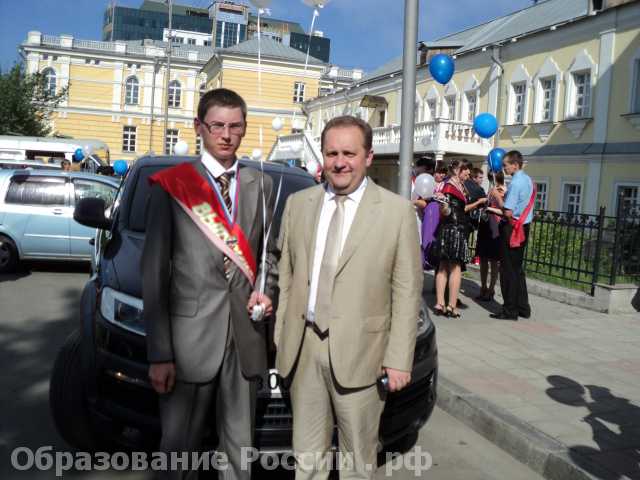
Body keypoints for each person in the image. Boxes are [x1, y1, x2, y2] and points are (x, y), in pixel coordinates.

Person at [274, 115, 423, 479]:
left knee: (358, 461)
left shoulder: (396, 212)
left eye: (349, 153)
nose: (339, 162)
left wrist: (399, 358)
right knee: (307, 460)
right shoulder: (299, 204)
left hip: (363, 354)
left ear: (368, 156)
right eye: (331, 153)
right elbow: (286, 277)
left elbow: (406, 291)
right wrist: (281, 336)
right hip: (305, 348)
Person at [141, 88, 277, 480]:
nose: (226, 134)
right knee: (178, 453)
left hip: (244, 334)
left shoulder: (260, 185)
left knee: (239, 452)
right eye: (217, 125)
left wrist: (267, 290)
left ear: (245, 129)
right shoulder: (171, 185)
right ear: (199, 127)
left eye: (235, 126)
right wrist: (159, 353)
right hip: (188, 341)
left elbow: (269, 254)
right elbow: (154, 273)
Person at [433, 159, 486, 317]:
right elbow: (446, 210)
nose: (468, 173)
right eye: (465, 171)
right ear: (457, 171)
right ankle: (450, 305)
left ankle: (441, 303)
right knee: (453, 268)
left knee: (443, 266)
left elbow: (461, 208)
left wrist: (476, 203)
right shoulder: (450, 186)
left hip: (452, 228)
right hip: (454, 229)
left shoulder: (456, 186)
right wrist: (443, 205)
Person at [489, 150, 535, 320]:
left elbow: (508, 212)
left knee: (508, 270)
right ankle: (523, 307)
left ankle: (509, 310)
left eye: (506, 165)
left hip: (512, 227)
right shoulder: (528, 179)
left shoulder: (515, 183)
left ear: (515, 165)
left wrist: (497, 197)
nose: (504, 168)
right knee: (517, 269)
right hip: (525, 225)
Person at [475, 171, 506, 301]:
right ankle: (483, 287)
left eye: (491, 177)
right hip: (486, 225)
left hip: (495, 227)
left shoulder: (502, 190)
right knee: (483, 258)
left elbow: (504, 208)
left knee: (493, 261)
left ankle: (491, 288)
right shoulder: (490, 189)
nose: (490, 179)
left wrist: (497, 196)